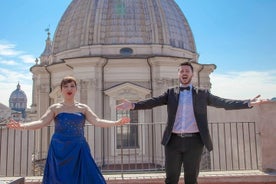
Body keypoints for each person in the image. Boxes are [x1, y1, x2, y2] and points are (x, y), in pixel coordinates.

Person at [116, 62, 270, 184]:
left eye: (187, 71)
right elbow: (153, 102)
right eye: (181, 71)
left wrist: (248, 102)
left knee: (191, 179)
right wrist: (133, 105)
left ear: (192, 74)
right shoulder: (171, 93)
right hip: (173, 141)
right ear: (178, 74)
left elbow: (223, 102)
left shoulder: (202, 94)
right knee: (171, 179)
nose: (184, 73)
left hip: (194, 142)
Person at [7, 76, 130, 184]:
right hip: (59, 149)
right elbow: (41, 122)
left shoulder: (83, 108)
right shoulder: (55, 108)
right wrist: (22, 125)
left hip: (79, 148)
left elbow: (97, 121)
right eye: (66, 86)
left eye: (72, 86)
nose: (69, 89)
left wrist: (116, 122)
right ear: (61, 90)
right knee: (60, 178)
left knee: (86, 177)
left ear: (76, 89)